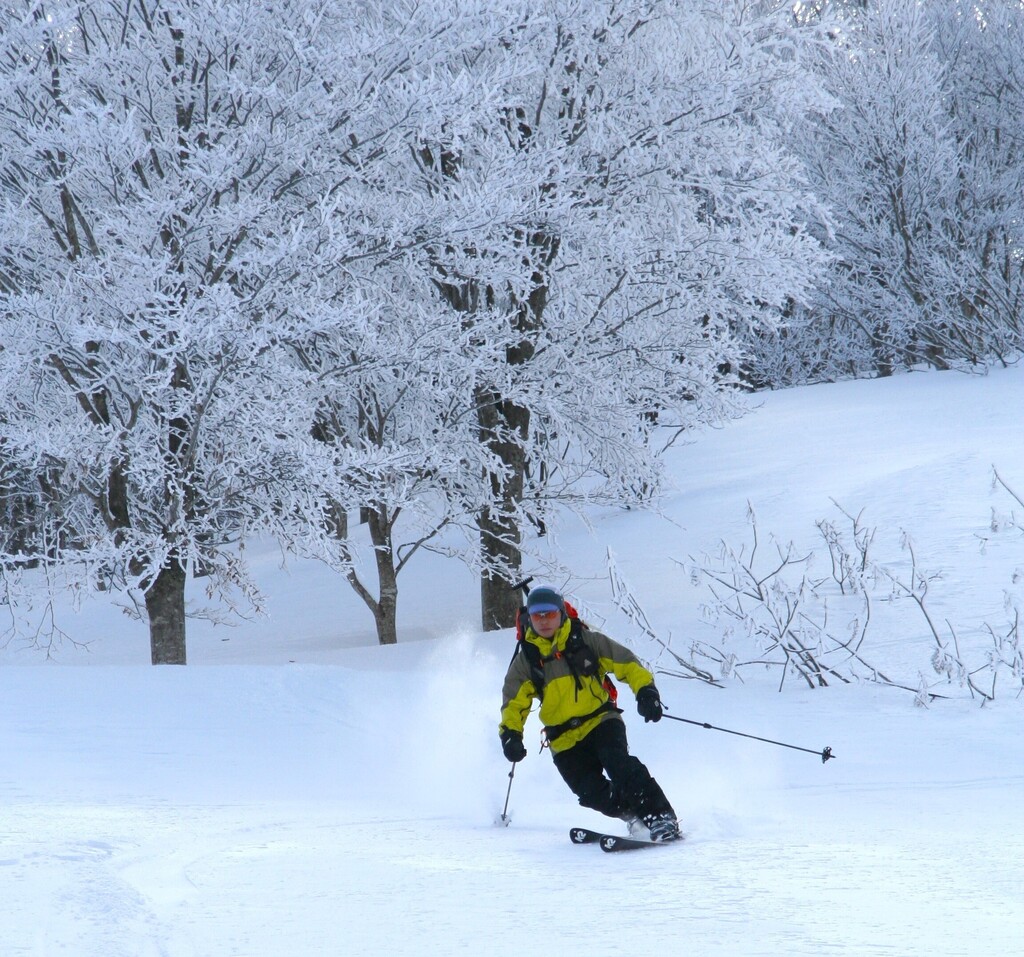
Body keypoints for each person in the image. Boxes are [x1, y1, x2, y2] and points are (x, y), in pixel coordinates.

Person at [498, 584, 680, 842]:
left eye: (550, 614)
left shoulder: (585, 641)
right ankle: (634, 817)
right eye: (538, 615)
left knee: (618, 764)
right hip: (562, 738)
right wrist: (511, 735)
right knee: (590, 792)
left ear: (561, 613)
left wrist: (646, 693)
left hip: (601, 720)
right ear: (530, 618)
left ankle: (660, 817)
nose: (544, 621)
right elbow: (514, 703)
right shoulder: (526, 660)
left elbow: (627, 664)